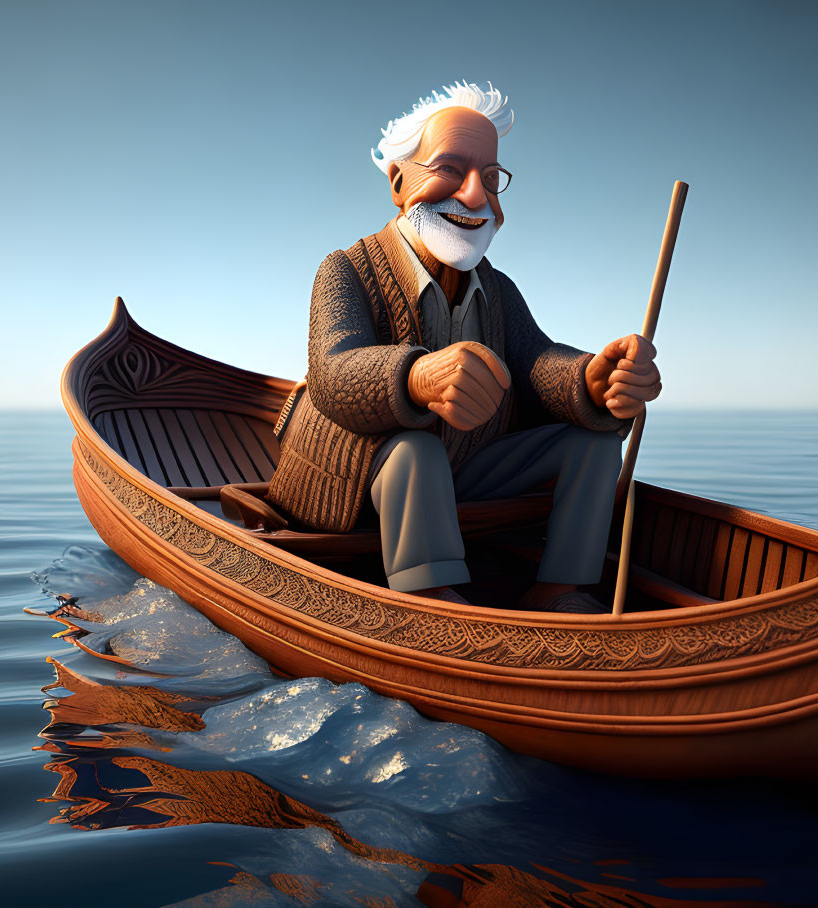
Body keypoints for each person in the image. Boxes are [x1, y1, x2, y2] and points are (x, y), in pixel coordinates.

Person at [268, 81, 661, 611]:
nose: (476, 197)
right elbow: (334, 373)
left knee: (590, 443)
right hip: (355, 476)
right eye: (450, 169)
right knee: (417, 449)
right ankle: (430, 598)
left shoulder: (497, 289)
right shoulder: (345, 269)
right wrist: (415, 377)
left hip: (464, 468)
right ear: (399, 181)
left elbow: (534, 361)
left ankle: (562, 585)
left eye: (491, 178)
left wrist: (591, 380)